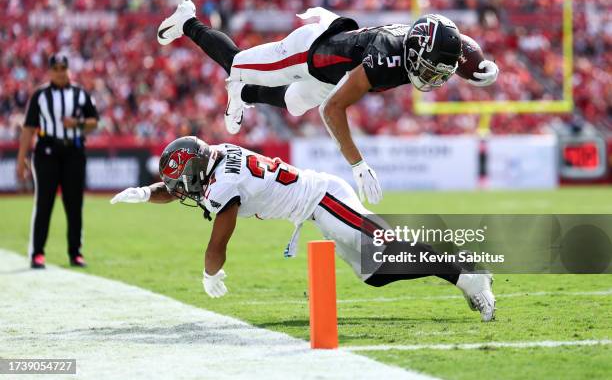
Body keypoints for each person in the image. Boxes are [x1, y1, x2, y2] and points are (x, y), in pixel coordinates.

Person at [110, 136, 495, 321]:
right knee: (375, 275)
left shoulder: (222, 184)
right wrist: (146, 192)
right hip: (317, 205)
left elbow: (218, 242)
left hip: (323, 198)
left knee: (389, 247)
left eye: (183, 181)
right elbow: (183, 189)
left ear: (195, 169)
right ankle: (462, 270)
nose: (181, 190)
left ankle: (469, 276)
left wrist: (210, 273)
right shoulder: (219, 156)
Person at [156, 1, 499, 205]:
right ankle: (188, 20)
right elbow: (332, 110)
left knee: (292, 103)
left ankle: (243, 94)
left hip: (335, 71)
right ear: (412, 52)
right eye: (429, 68)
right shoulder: (385, 58)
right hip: (310, 53)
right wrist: (358, 164)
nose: (434, 78)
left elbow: (459, 45)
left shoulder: (420, 39)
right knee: (238, 65)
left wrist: (479, 66)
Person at [16, 54, 99, 269]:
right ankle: (37, 253)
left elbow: (94, 122)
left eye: (64, 67)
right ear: (50, 71)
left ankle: (75, 253)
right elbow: (28, 129)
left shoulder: (80, 93)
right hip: (47, 152)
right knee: (44, 203)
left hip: (74, 151)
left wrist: (77, 124)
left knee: (74, 205)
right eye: (56, 68)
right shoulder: (40, 95)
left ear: (68, 69)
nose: (60, 72)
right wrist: (20, 159)